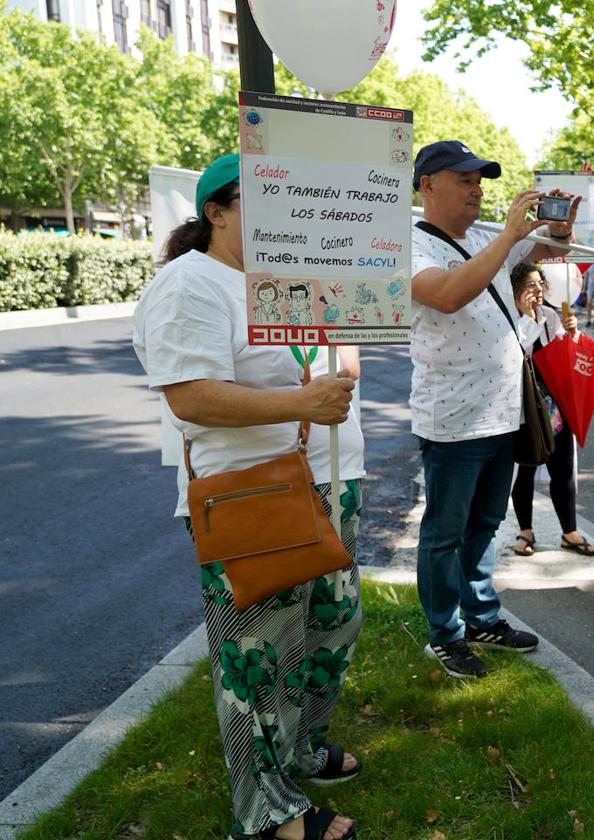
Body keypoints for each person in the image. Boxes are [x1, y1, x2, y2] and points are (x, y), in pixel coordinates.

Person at [132, 154, 362, 840]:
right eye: (264, 198)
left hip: (323, 479)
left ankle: (298, 753)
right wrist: (302, 401)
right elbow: (192, 398)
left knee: (333, 627)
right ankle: (265, 813)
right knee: (256, 661)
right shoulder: (189, 285)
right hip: (248, 495)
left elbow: (330, 359)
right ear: (217, 212)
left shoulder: (287, 275)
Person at [409, 139, 579, 679]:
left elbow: (554, 255)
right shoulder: (409, 247)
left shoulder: (487, 239)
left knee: (485, 522)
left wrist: (557, 231)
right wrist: (510, 235)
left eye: (480, 179)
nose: (476, 188)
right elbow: (447, 295)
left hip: (502, 413)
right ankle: (444, 632)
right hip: (454, 419)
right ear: (427, 184)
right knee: (445, 532)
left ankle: (480, 616)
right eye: (464, 179)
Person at [507, 262, 594, 559]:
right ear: (516, 291)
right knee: (527, 464)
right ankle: (525, 530)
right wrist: (527, 317)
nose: (535, 292)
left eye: (539, 285)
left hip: (556, 400)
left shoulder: (551, 315)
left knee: (563, 466)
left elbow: (565, 357)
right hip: (528, 405)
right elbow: (515, 353)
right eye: (528, 286)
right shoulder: (510, 317)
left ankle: (569, 532)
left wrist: (571, 334)